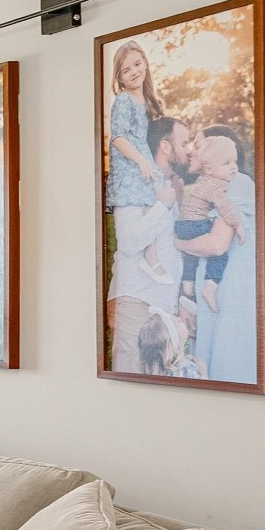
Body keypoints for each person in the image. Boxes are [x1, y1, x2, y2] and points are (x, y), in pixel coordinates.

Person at [106, 115, 187, 373]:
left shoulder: (165, 184)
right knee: (131, 389)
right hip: (136, 305)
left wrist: (179, 304)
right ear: (165, 146)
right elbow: (130, 242)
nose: (189, 149)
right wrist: (163, 205)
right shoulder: (134, 182)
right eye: (184, 143)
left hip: (161, 308)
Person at [105, 41, 170, 283]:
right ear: (120, 78)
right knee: (140, 212)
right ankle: (147, 260)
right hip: (131, 162)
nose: (134, 72)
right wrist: (142, 161)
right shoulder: (124, 100)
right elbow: (119, 137)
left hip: (144, 160)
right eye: (126, 70)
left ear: (145, 63)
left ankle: (151, 257)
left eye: (137, 64)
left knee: (152, 207)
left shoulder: (149, 99)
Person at [174, 133, 247, 315]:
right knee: (217, 253)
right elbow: (216, 247)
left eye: (198, 147)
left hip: (183, 226)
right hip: (193, 227)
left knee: (194, 252)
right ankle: (209, 287)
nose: (191, 152)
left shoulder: (231, 184)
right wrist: (238, 225)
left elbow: (215, 244)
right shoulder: (218, 184)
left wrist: (181, 244)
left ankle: (188, 285)